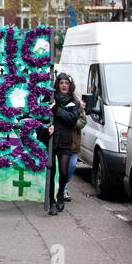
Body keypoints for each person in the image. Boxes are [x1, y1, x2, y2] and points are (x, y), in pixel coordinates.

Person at [44, 73, 80, 216]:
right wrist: (47, 128)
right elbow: (41, 116)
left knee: (64, 172)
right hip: (52, 140)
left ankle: (60, 195)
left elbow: (72, 119)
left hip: (65, 140)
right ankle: (52, 201)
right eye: (61, 83)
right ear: (57, 85)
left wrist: (57, 110)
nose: (64, 85)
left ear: (70, 85)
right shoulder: (50, 99)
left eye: (66, 83)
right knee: (51, 172)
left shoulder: (74, 101)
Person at [63, 96, 87, 201]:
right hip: (61, 140)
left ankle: (64, 184)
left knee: (72, 165)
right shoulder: (58, 100)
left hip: (74, 141)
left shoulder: (77, 103)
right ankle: (63, 189)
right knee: (61, 166)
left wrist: (71, 123)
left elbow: (83, 120)